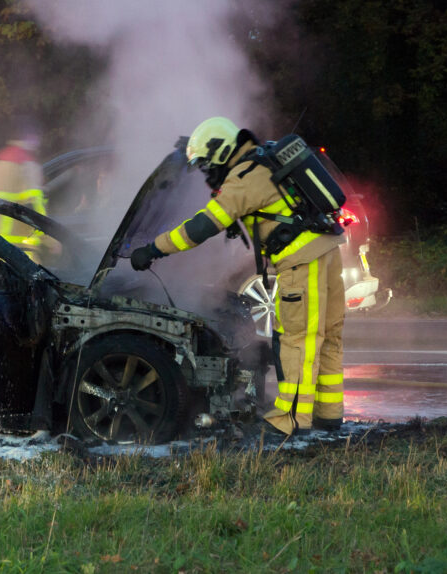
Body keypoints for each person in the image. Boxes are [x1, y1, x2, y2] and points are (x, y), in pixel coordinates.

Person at [128, 117, 345, 436]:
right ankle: (329, 413)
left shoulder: (243, 178)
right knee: (327, 334)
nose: (204, 172)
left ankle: (292, 419)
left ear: (220, 152)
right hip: (327, 251)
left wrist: (153, 249)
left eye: (205, 163)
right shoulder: (261, 161)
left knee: (298, 340)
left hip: (302, 261)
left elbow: (201, 227)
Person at [0, 120, 47, 259]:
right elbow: (37, 207)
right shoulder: (27, 164)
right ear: (30, 137)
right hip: (22, 247)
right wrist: (50, 238)